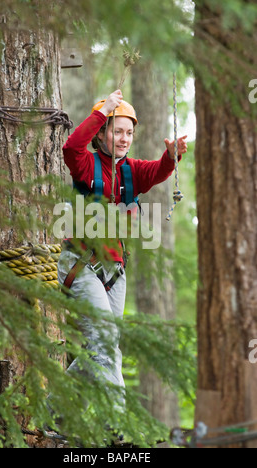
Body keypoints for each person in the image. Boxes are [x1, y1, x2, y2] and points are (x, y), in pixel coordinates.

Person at [57, 89, 187, 410]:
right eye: (117, 131)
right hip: (81, 264)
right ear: (101, 134)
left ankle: (51, 414)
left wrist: (171, 156)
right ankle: (120, 423)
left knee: (103, 349)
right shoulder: (86, 165)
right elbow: (71, 147)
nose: (124, 138)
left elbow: (158, 171)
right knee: (104, 343)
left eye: (129, 133)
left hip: (115, 271)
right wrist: (104, 111)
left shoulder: (132, 171)